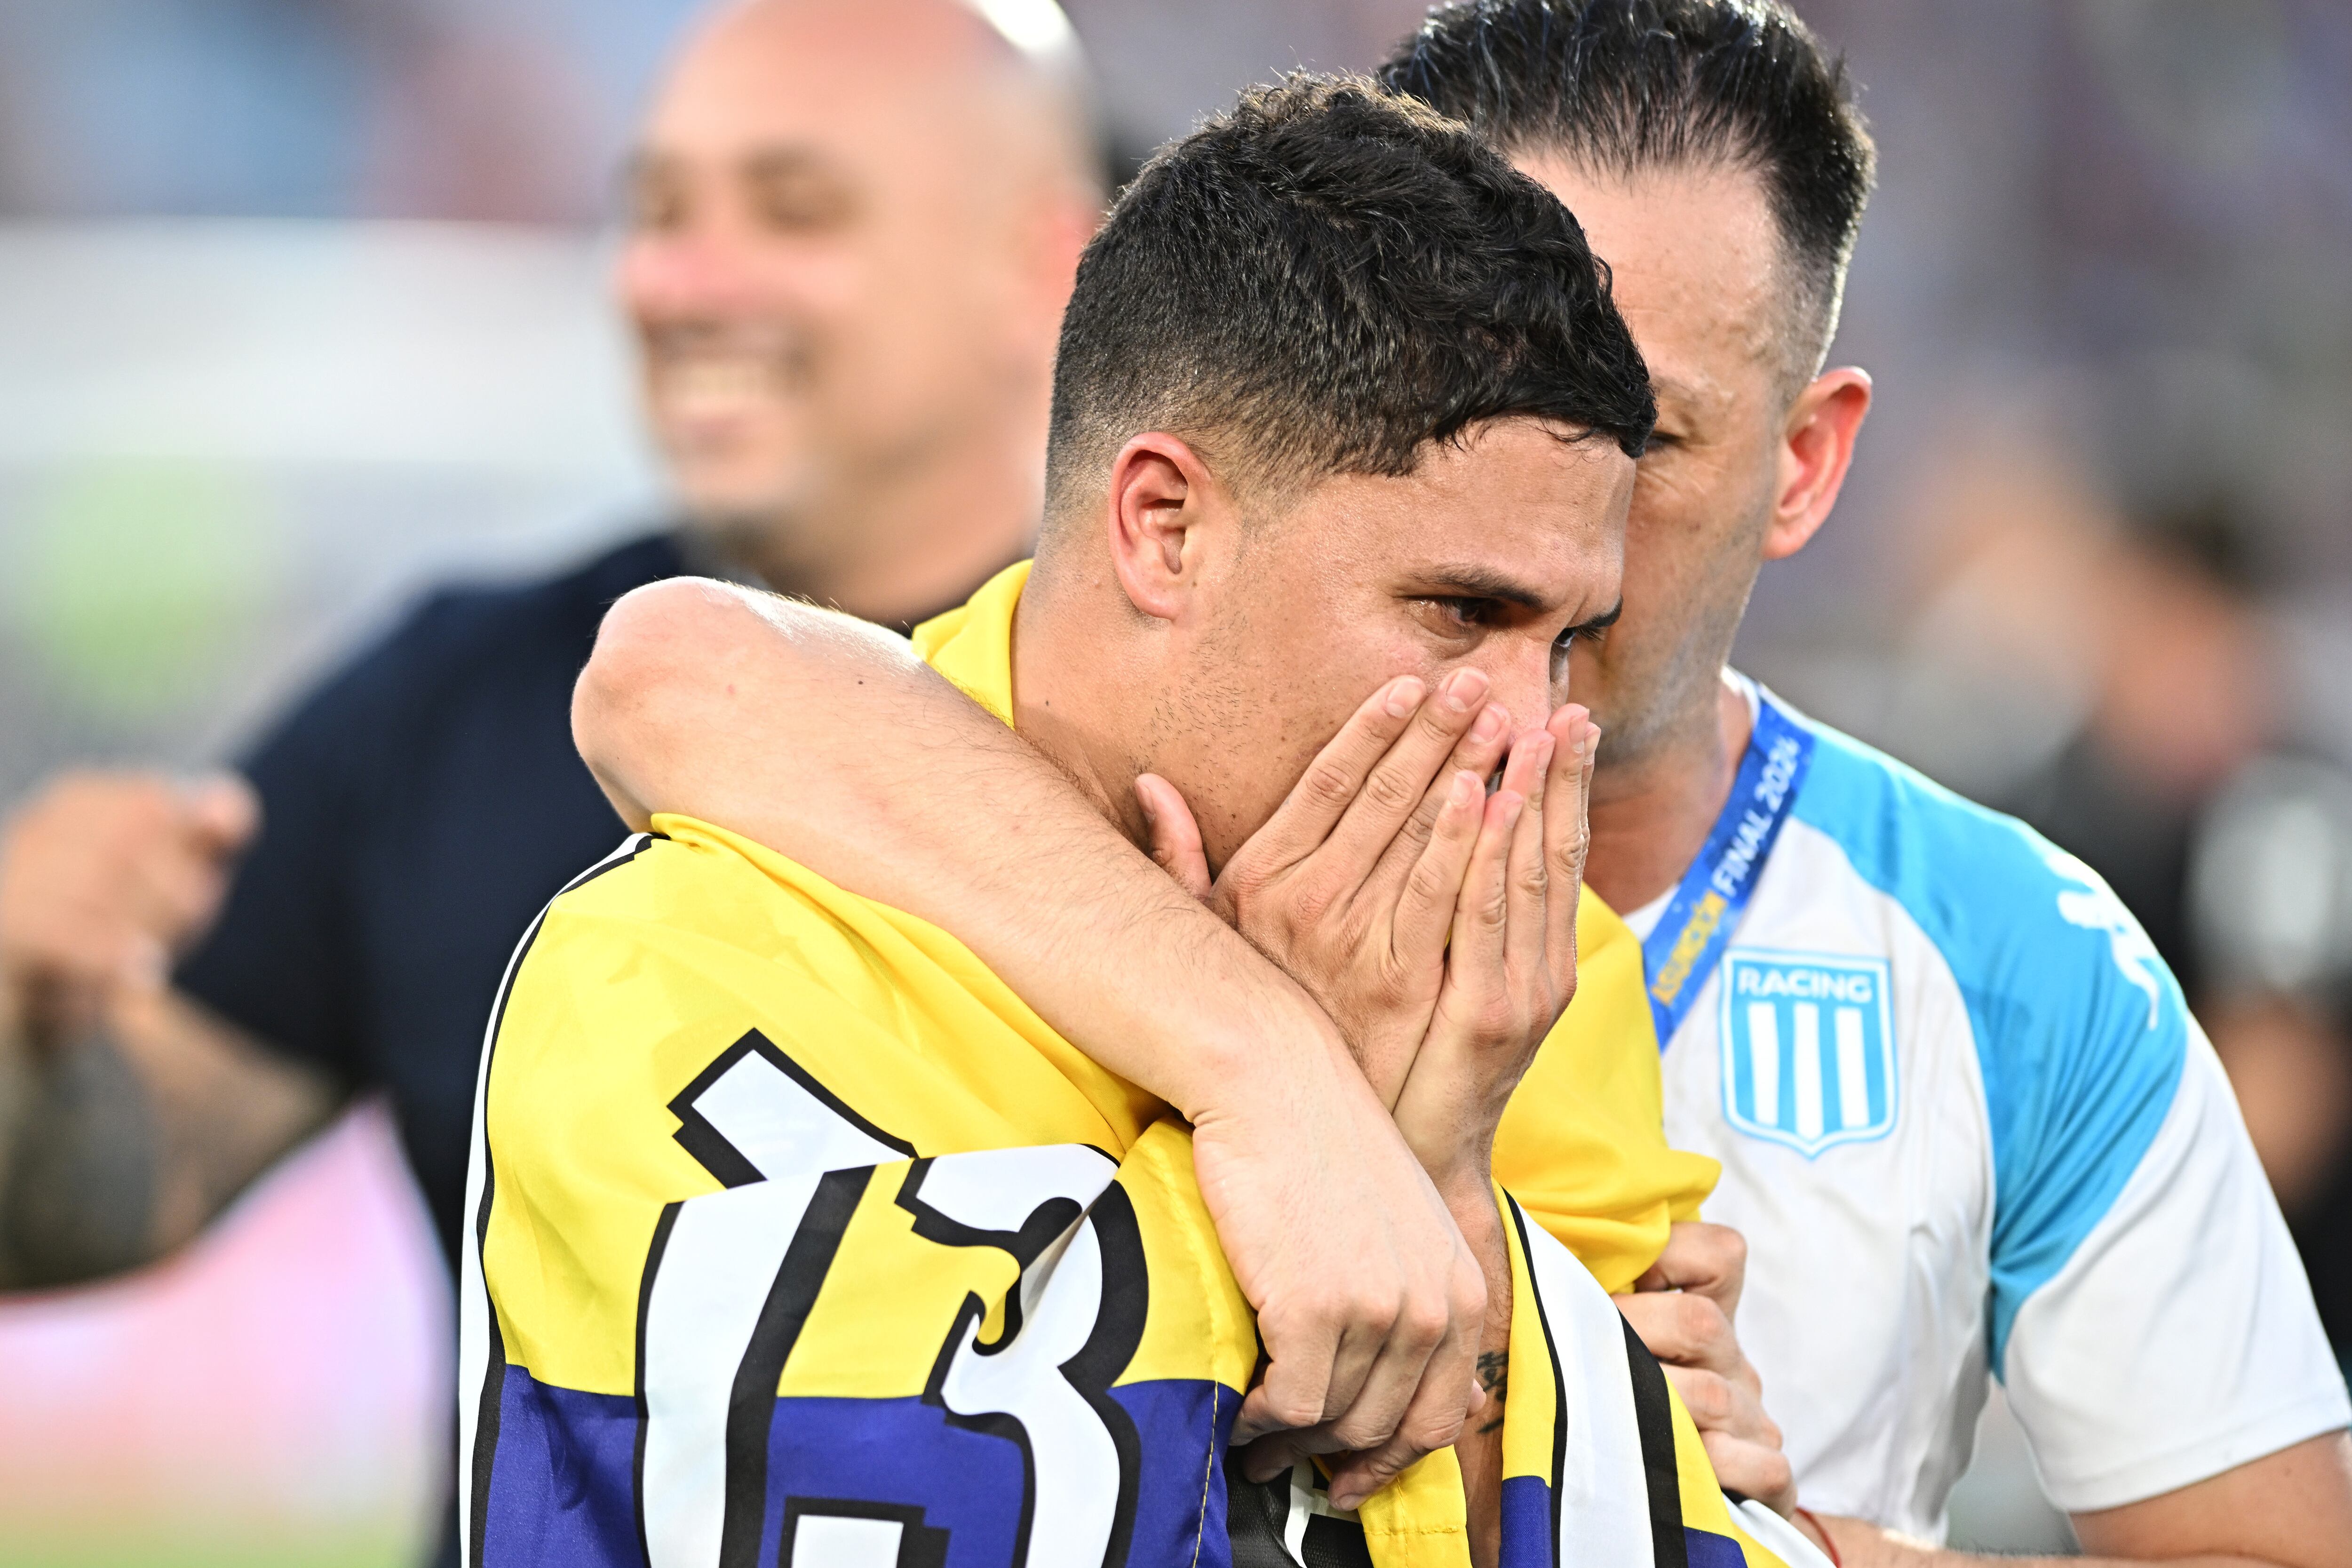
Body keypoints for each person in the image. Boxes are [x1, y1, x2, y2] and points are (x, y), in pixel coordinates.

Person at [572, 2, 2352, 1563]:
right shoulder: (1054, 785)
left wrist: (1742, 1539)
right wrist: (1271, 1068)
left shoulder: (2007, 960)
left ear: (1804, 467)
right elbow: (681, 672)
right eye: (1448, 367)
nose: (1528, 468)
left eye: (1632, 426)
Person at [0, 2, 1598, 1557]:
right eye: (655, 210)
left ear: (1051, 263)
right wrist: (22, 1031)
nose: (680, 282)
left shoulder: (1334, 719)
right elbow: (104, 1196)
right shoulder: (457, 699)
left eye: (795, 209)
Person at [480, 74, 1816, 1568]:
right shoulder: (683, 965)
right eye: (1461, 612)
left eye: (1567, 639)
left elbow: (1669, 1511)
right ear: (1164, 526)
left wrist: (1475, 1294)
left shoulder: (1526, 963)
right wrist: (1338, 1116)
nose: (1534, 732)